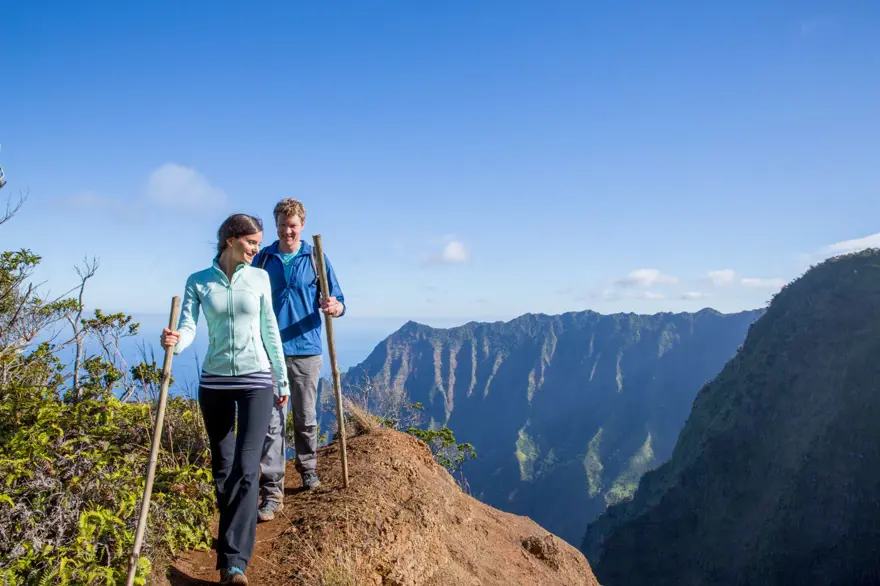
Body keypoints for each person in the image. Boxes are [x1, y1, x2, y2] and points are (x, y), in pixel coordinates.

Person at [160, 213, 289, 585]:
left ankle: (234, 562)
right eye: (251, 243)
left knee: (248, 468)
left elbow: (270, 331)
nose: (256, 249)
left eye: (258, 243)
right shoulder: (198, 282)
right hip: (214, 382)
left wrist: (280, 379)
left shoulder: (260, 278)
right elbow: (187, 327)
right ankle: (233, 532)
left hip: (256, 380)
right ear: (231, 239)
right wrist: (176, 342)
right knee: (223, 468)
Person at [252, 198, 345, 522]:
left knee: (305, 417)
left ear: (301, 225)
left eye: (292, 225)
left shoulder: (315, 258)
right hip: (269, 351)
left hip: (306, 348)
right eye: (282, 225)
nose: (287, 230)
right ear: (276, 225)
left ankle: (308, 470)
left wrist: (335, 307)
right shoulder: (264, 259)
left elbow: (339, 298)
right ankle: (272, 492)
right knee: (272, 423)